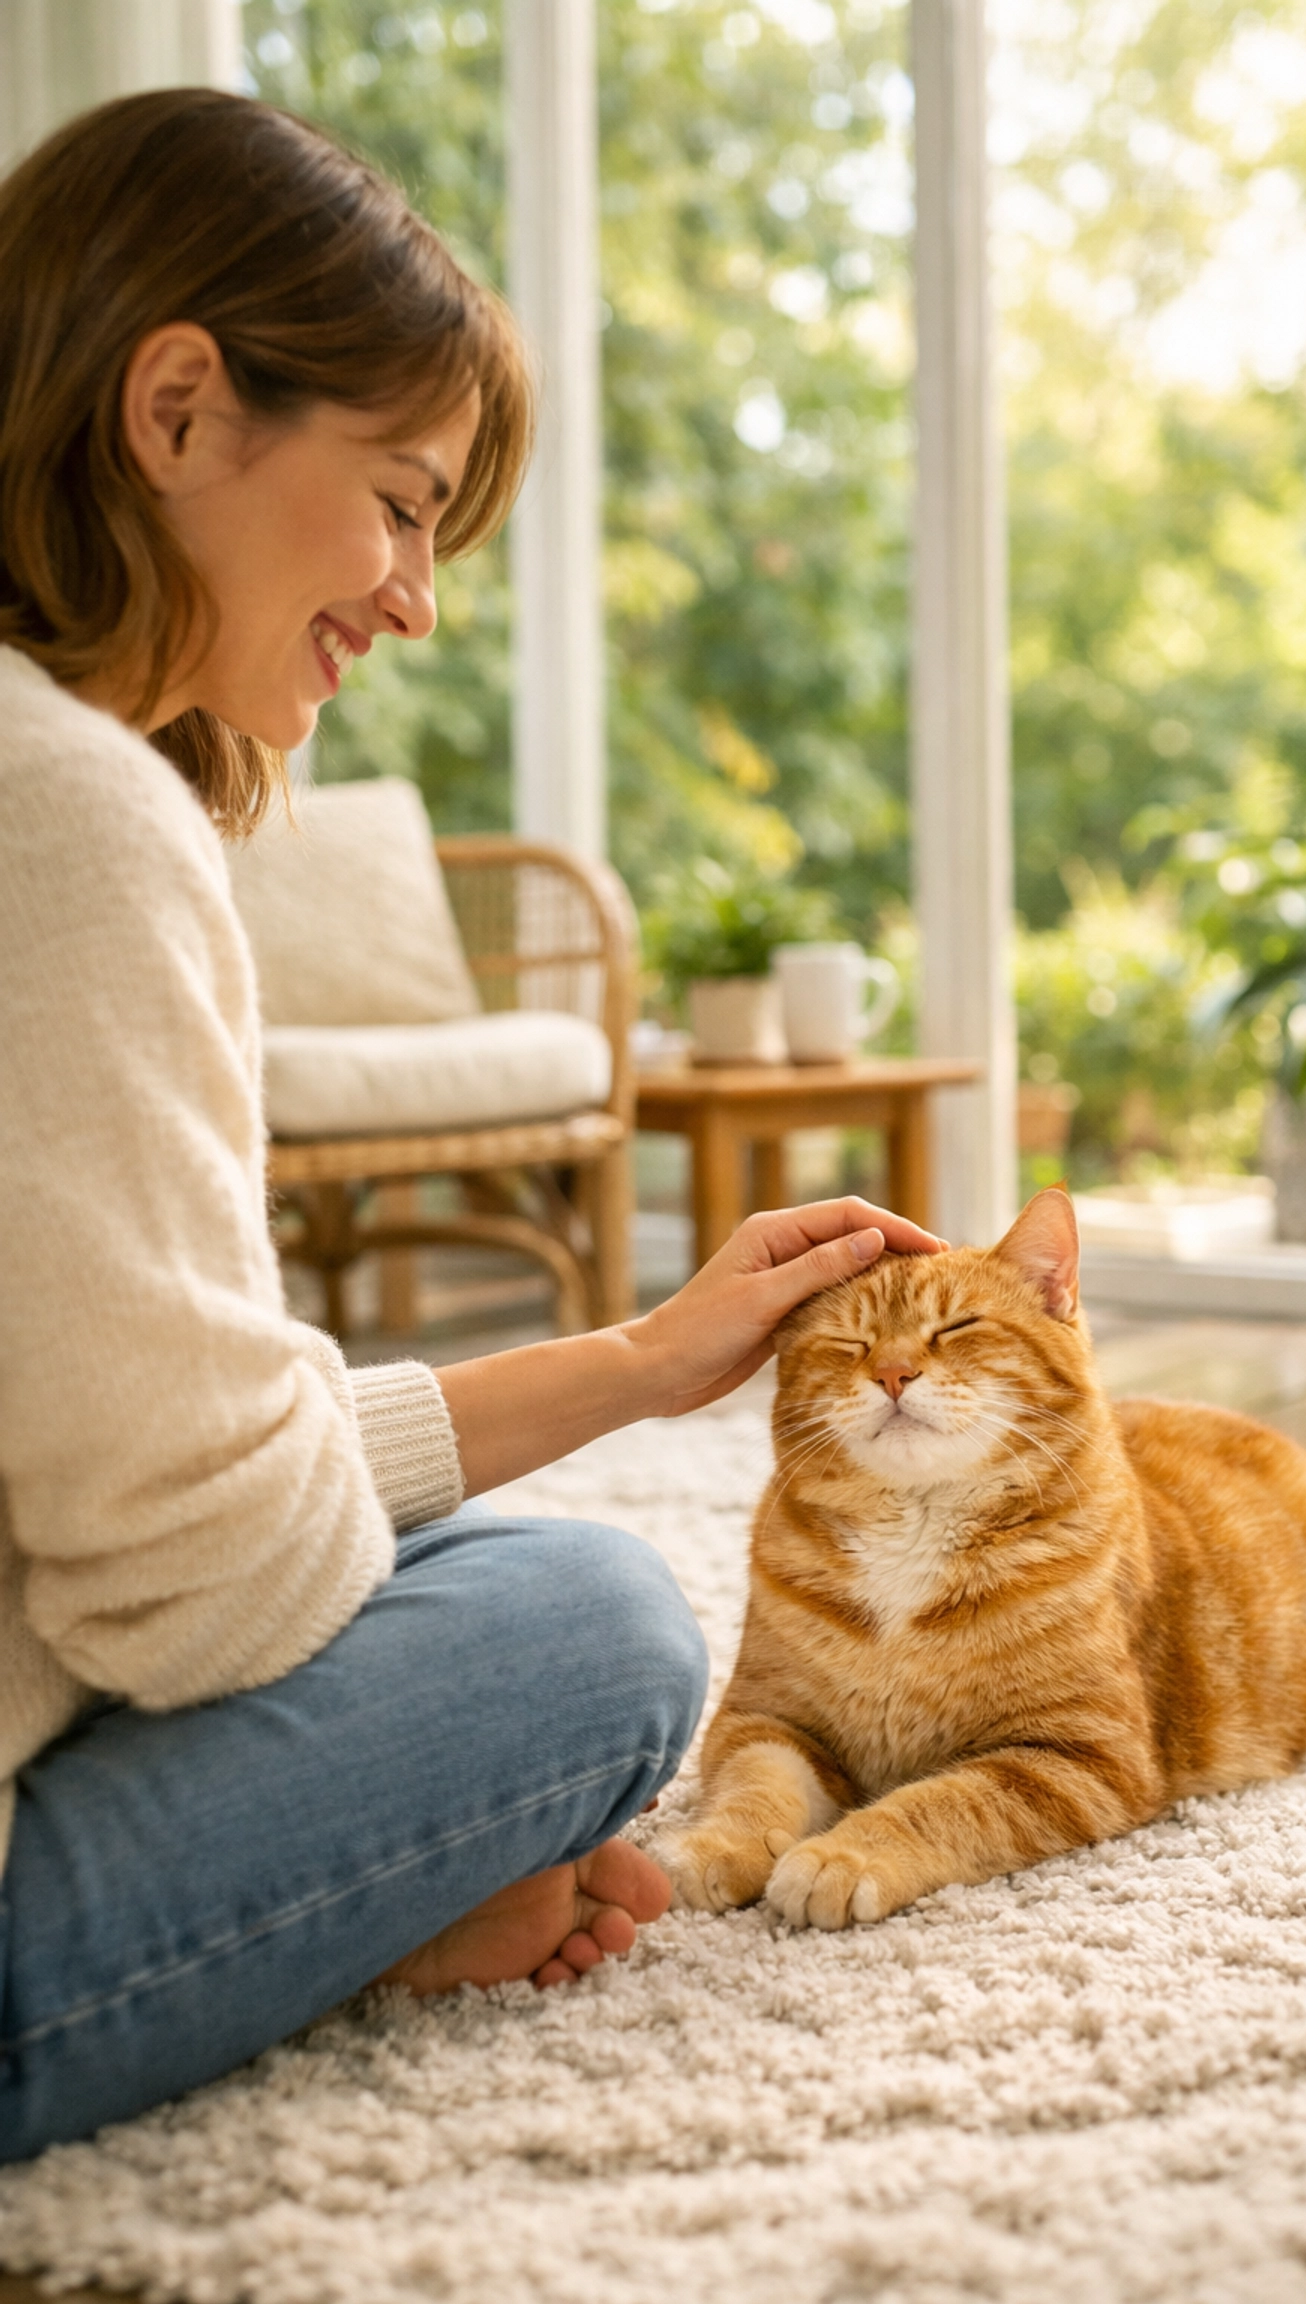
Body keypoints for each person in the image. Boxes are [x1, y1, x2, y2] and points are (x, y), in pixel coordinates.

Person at [0, 89, 941, 2165]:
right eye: (403, 502)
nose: (417, 597)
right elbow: (191, 1593)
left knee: (481, 1561)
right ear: (177, 406)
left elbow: (117, 1474)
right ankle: (324, 1934)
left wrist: (628, 1365)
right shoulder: (59, 812)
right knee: (583, 1631)